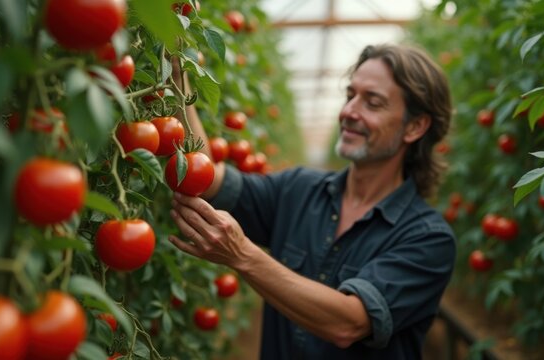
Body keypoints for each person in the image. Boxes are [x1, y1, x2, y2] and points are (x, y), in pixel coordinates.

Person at [168, 43, 456, 359]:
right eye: (350, 96)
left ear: (414, 127)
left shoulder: (428, 238)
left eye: (372, 103)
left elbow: (348, 323)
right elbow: (204, 176)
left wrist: (243, 255)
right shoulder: (297, 189)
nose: (348, 112)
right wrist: (176, 77)